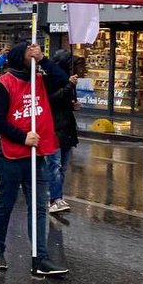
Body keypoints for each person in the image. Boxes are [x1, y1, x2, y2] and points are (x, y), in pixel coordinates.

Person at [0, 41, 70, 277]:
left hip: (37, 155)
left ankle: (40, 258)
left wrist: (43, 59)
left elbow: (63, 80)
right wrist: (23, 137)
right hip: (11, 155)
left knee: (39, 207)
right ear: (18, 57)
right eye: (28, 52)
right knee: (7, 203)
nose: (33, 53)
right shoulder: (2, 85)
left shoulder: (39, 81)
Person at [46, 49, 79, 213]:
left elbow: (64, 100)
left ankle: (58, 196)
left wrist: (72, 103)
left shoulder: (68, 80)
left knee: (63, 166)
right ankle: (54, 199)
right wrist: (69, 86)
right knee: (55, 165)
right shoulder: (50, 79)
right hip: (54, 127)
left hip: (67, 127)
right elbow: (51, 99)